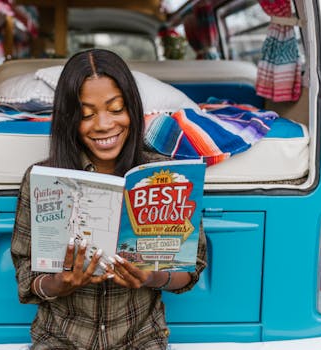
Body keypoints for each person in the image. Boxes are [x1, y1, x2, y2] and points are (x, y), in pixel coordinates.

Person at [11, 48, 207, 350]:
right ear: (69, 118)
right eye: (87, 115)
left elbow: (190, 270)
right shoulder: (43, 179)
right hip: (59, 339)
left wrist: (150, 277)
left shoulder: (164, 176)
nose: (103, 125)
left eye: (116, 109)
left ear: (132, 108)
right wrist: (59, 283)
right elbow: (27, 276)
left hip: (141, 339)